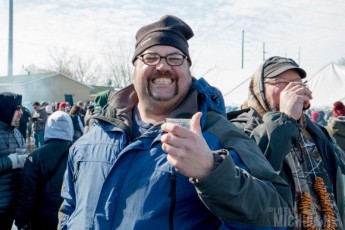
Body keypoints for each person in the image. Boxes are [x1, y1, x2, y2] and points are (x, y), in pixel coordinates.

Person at [59, 15, 294, 229]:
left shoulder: (218, 135)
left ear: (188, 70)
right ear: (135, 68)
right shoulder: (95, 134)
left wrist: (212, 172)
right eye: (150, 57)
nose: (162, 66)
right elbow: (69, 208)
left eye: (175, 58)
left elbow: (278, 216)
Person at [228, 56, 345, 228]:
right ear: (259, 88)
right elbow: (253, 181)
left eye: (299, 82)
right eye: (281, 81)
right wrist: (285, 119)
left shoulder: (316, 131)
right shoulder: (240, 130)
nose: (293, 88)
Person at [15, 111, 73, 230]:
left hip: (41, 217)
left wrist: (22, 220)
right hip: (69, 217)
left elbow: (27, 191)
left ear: (49, 127)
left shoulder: (36, 156)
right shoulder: (78, 153)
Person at [0, 92, 28, 230]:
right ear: (6, 109)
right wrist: (11, 161)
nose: (21, 112)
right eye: (18, 108)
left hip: (13, 205)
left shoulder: (16, 132)